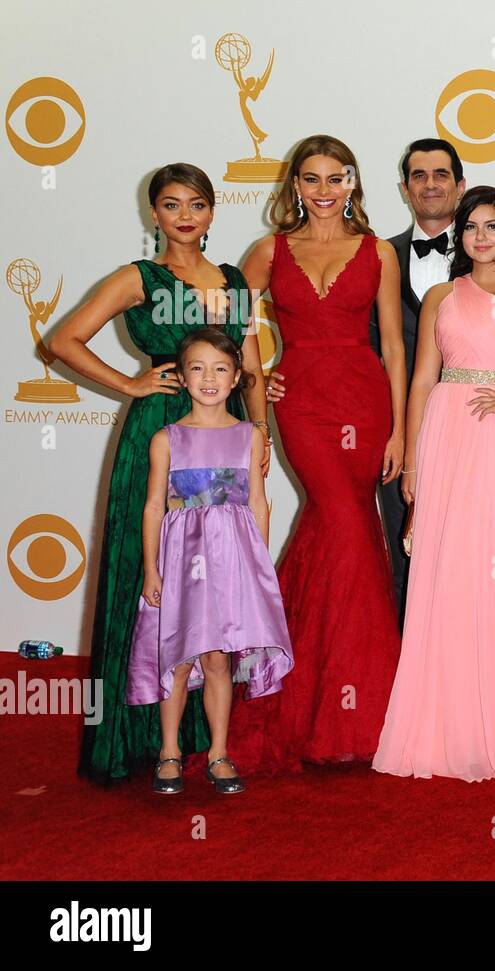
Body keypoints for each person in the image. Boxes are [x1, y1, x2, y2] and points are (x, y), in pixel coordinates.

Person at [49, 162, 272, 786]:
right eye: (171, 204)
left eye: (196, 204)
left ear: (211, 212)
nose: (184, 215)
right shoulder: (138, 277)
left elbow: (249, 363)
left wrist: (261, 434)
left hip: (223, 435)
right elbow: (63, 339)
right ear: (155, 213)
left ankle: (201, 737)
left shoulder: (232, 282)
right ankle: (135, 736)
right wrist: (130, 383)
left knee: (212, 586)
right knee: (149, 577)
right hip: (159, 432)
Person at [372, 187, 495, 781]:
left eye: (493, 226)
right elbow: (421, 380)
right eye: (470, 228)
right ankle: (445, 726)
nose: (480, 237)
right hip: (446, 438)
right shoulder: (439, 295)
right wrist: (412, 461)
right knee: (446, 575)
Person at [230, 134, 406, 774]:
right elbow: (233, 324)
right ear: (294, 187)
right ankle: (342, 708)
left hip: (364, 402)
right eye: (312, 179)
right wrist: (258, 382)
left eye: (337, 178)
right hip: (301, 401)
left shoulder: (378, 251)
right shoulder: (268, 251)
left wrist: (400, 432)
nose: (325, 190)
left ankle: (329, 697)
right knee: (343, 525)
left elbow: (392, 345)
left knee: (348, 530)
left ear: (354, 184)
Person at [128, 328, 292, 794]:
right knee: (177, 657)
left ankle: (219, 752)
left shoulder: (249, 436)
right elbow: (153, 507)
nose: (209, 378)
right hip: (181, 564)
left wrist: (257, 570)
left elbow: (259, 504)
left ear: (238, 377)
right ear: (181, 377)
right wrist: (153, 569)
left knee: (219, 659)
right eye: (197, 368)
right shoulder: (167, 438)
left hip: (232, 565)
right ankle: (169, 752)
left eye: (221, 369)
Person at [370, 138, 466, 623]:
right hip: (395, 435)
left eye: (441, 174)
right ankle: (410, 681)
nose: (430, 185)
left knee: (470, 554)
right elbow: (359, 346)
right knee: (402, 548)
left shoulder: (493, 252)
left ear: (460, 185)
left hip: (474, 431)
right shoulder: (377, 255)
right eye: (420, 176)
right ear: (405, 189)